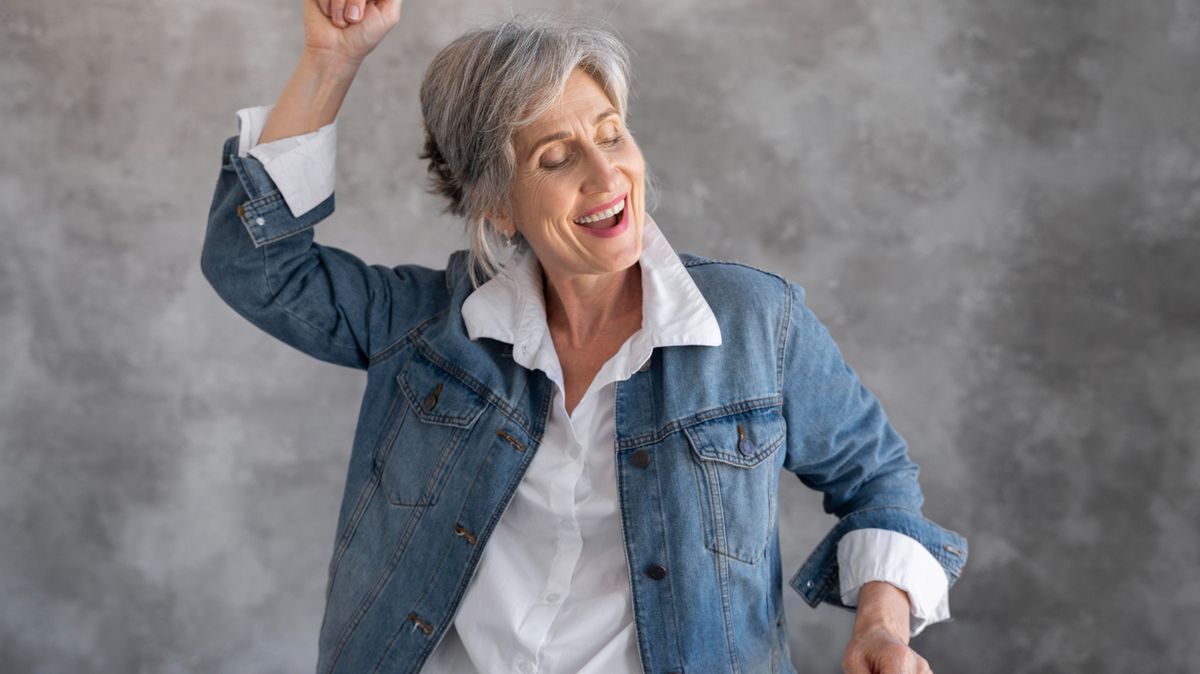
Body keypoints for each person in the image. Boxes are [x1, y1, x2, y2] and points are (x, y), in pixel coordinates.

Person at [201, 2, 969, 673]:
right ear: (497, 206)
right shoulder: (427, 327)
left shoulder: (756, 323)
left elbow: (877, 480)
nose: (607, 178)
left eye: (612, 135)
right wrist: (331, 59)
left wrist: (881, 625)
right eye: (557, 158)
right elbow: (256, 268)